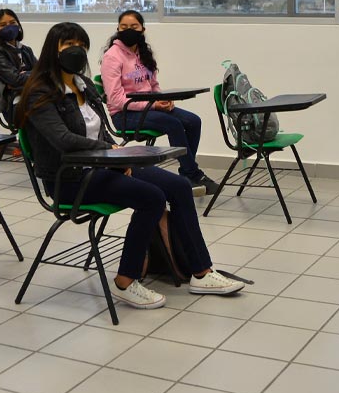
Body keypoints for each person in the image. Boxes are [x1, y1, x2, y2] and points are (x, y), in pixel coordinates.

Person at [17, 22, 243, 309]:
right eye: (67, 45)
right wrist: (109, 154)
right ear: (53, 50)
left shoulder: (82, 84)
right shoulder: (40, 92)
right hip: (70, 179)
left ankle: (201, 272)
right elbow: (63, 140)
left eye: (81, 46)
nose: (76, 51)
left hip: (100, 167)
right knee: (151, 198)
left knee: (179, 185)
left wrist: (115, 157)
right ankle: (126, 280)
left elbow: (102, 132)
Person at [100, 10, 218, 195]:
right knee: (173, 124)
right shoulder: (112, 57)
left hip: (150, 108)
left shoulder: (144, 53)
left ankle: (187, 172)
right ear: (117, 29)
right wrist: (154, 105)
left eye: (133, 27)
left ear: (142, 29)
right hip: (125, 115)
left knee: (194, 121)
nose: (128, 30)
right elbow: (116, 99)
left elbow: (153, 85)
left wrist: (162, 100)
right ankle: (191, 173)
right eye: (124, 27)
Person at [0, 8, 37, 125]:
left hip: (32, 94)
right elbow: (16, 80)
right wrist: (31, 76)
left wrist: (26, 76)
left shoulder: (25, 50)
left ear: (18, 25)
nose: (9, 27)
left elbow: (43, 71)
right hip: (13, 104)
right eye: (3, 25)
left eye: (12, 23)